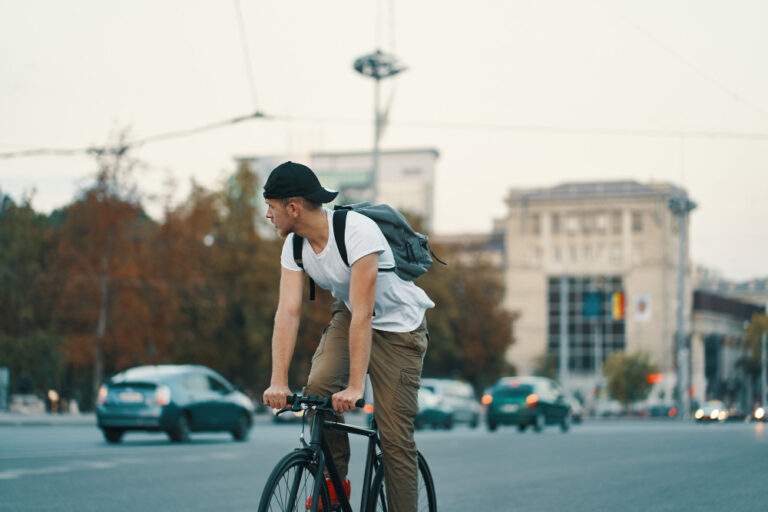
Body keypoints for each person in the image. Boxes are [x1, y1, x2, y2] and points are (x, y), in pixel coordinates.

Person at [261, 161, 434, 512]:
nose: (268, 215)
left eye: (271, 206)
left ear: (293, 207)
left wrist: (356, 387)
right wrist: (277, 381)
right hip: (350, 315)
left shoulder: (358, 232)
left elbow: (365, 314)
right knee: (319, 389)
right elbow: (288, 312)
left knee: (395, 440)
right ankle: (334, 485)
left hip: (399, 328)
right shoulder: (294, 246)